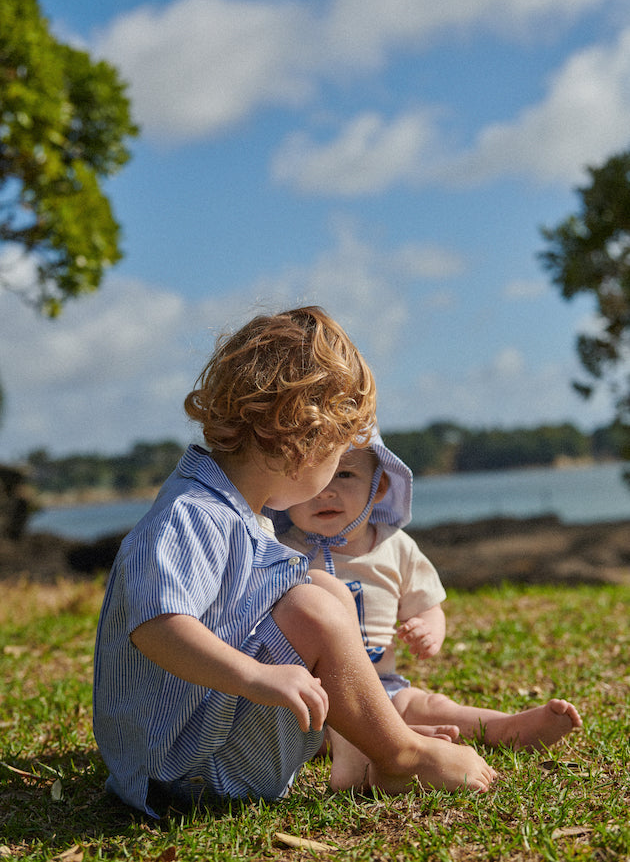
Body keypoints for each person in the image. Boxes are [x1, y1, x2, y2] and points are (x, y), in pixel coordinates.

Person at [92, 306, 496, 818]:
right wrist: (255, 677)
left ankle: (366, 747)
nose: (333, 477)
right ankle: (401, 755)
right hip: (183, 771)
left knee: (323, 590)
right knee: (312, 606)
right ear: (304, 442)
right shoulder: (193, 514)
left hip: (199, 744)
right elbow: (157, 627)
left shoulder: (241, 512)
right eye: (337, 455)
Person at [267, 434, 582, 759]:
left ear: (378, 488)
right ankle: (394, 737)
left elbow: (429, 605)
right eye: (309, 474)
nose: (326, 490)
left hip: (381, 684)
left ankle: (503, 727)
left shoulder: (395, 547)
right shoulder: (280, 550)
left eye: (344, 474)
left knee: (429, 704)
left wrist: (428, 629)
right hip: (310, 691)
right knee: (312, 730)